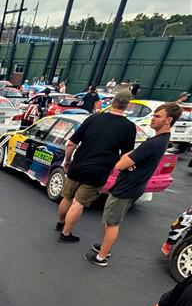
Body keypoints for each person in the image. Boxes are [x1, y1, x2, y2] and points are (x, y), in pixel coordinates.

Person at [84, 103, 183, 267]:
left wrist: (125, 159)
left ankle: (102, 256)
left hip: (126, 188)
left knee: (112, 222)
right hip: (134, 186)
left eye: (158, 116)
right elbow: (130, 157)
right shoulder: (160, 140)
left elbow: (119, 165)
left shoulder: (152, 143)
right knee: (112, 220)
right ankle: (104, 247)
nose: (153, 119)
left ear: (168, 120)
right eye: (154, 115)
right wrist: (130, 157)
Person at [56, 91, 136, 242]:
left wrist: (67, 161)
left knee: (67, 197)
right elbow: (126, 154)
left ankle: (60, 223)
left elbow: (71, 143)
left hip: (78, 164)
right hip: (99, 170)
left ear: (112, 101)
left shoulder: (93, 118)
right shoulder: (128, 127)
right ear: (128, 105)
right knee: (78, 203)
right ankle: (65, 234)